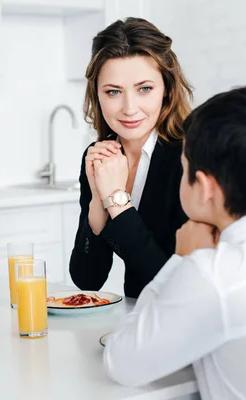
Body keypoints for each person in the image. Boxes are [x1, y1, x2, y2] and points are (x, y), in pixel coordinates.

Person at [103, 86, 246, 399]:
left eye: (184, 166)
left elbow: (120, 362)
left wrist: (180, 261)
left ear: (204, 187)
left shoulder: (212, 275)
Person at [69, 17, 192, 298]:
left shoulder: (189, 156)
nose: (129, 108)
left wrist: (116, 199)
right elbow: (87, 281)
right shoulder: (100, 157)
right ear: (97, 95)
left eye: (144, 89)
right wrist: (97, 208)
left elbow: (171, 285)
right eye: (113, 92)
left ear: (167, 90)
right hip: (136, 318)